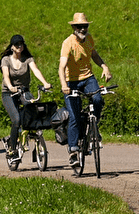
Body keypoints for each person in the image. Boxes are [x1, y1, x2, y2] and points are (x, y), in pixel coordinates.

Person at [58, 12, 113, 167]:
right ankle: (73, 151)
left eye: (85, 26)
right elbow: (61, 67)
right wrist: (64, 85)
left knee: (98, 99)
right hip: (71, 82)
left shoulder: (89, 39)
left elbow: (94, 55)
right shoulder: (68, 43)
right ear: (74, 27)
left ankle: (94, 128)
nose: (83, 29)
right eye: (80, 27)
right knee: (74, 116)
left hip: (88, 78)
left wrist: (104, 66)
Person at [0, 34, 53, 158]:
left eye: (21, 44)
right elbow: (6, 76)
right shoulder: (6, 60)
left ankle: (36, 142)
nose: (19, 46)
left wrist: (45, 83)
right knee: (17, 120)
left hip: (24, 91)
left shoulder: (27, 59)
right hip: (9, 93)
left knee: (34, 113)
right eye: (17, 44)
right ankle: (12, 149)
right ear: (12, 47)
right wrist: (10, 87)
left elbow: (35, 70)